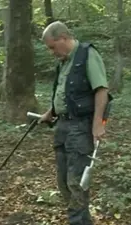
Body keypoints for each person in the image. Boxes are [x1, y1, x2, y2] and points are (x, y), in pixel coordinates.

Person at [39, 21, 110, 225]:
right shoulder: (64, 61)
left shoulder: (87, 54)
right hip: (62, 126)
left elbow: (101, 90)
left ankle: (78, 222)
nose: (52, 52)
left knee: (76, 181)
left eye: (53, 47)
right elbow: (66, 93)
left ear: (63, 37)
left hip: (81, 127)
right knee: (63, 181)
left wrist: (98, 123)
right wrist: (50, 112)